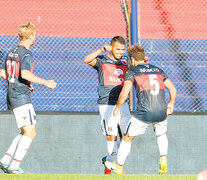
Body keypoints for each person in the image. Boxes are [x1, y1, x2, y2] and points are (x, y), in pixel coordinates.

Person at [104, 44, 177, 175]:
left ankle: (119, 166)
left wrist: (118, 107)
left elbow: (124, 93)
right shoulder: (158, 70)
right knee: (161, 134)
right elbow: (172, 89)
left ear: (132, 60)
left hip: (144, 112)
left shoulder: (132, 72)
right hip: (162, 110)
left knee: (126, 137)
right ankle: (163, 159)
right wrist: (171, 103)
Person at [0, 22, 57, 174]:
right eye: (34, 35)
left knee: (25, 131)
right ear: (31, 36)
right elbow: (24, 73)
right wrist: (46, 82)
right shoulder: (26, 53)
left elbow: (3, 72)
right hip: (20, 96)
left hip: (12, 95)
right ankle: (13, 165)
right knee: (31, 132)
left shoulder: (11, 51)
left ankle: (6, 159)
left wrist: (19, 81)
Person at [84, 36, 131, 174]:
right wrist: (100, 50)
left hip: (122, 103)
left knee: (127, 136)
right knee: (111, 135)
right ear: (111, 47)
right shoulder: (103, 60)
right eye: (117, 49)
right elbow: (86, 60)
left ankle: (109, 161)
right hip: (107, 103)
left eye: (122, 49)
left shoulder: (125, 61)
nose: (120, 52)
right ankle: (117, 168)